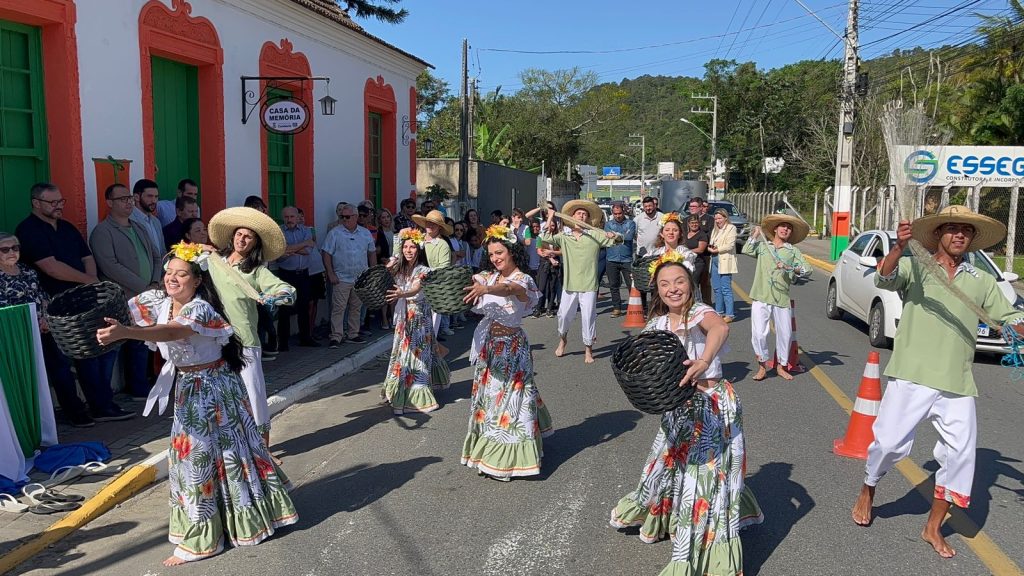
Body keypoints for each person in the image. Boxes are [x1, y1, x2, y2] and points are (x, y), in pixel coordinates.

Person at [96, 244, 298, 565]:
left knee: (211, 456)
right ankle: (217, 523)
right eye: (169, 272)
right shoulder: (158, 302)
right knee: (193, 457)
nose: (172, 279)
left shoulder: (199, 309)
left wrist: (126, 333)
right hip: (189, 389)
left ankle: (209, 535)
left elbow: (173, 331)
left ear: (197, 281)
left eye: (182, 274)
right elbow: (120, 309)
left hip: (214, 388)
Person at [852, 206, 1024, 558]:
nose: (959, 235)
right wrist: (898, 248)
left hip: (957, 382)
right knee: (888, 445)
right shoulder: (917, 266)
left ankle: (932, 527)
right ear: (939, 235)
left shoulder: (981, 281)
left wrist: (1018, 327)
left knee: (961, 457)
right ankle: (868, 488)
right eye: (952, 229)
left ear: (972, 239)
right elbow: (884, 279)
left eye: (966, 230)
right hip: (911, 374)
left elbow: (1010, 316)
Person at [610, 250, 762, 574]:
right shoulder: (656, 324)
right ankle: (671, 518)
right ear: (657, 289)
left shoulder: (701, 312)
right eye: (664, 284)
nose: (672, 288)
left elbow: (720, 328)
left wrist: (704, 360)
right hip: (676, 409)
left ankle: (697, 555)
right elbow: (646, 362)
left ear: (691, 284)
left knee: (702, 481)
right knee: (664, 469)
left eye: (679, 281)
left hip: (712, 404)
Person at [16, 182, 133, 423]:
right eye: (52, 202)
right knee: (59, 363)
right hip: (53, 308)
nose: (59, 206)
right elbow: (52, 268)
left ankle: (102, 406)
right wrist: (89, 280)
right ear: (36, 203)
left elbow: (86, 256)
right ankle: (75, 412)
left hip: (82, 304)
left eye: (61, 201)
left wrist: (89, 281)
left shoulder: (67, 227)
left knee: (91, 354)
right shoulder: (28, 230)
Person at [460, 224, 551, 481]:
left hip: (512, 348)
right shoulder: (489, 277)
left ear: (511, 251)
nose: (495, 258)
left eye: (499, 252)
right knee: (490, 402)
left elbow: (512, 290)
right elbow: (472, 281)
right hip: (490, 347)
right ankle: (489, 453)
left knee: (510, 403)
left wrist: (487, 289)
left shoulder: (523, 279)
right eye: (491, 254)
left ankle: (509, 459)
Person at [208, 207, 294, 450]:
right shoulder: (213, 263)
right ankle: (230, 446)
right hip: (215, 341)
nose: (241, 239)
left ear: (255, 242)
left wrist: (277, 296)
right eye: (239, 234)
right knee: (222, 396)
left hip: (245, 340)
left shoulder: (257, 270)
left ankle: (263, 450)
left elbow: (286, 290)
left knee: (253, 396)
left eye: (248, 236)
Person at [0, 231, 95, 427]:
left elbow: (42, 296)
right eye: (5, 249)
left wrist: (45, 317)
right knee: (26, 374)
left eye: (15, 248)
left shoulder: (27, 271)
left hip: (43, 329)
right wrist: (32, 321)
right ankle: (28, 420)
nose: (11, 252)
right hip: (18, 334)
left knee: (60, 367)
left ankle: (74, 412)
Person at [90, 183, 163, 398]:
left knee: (141, 342)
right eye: (122, 199)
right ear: (109, 203)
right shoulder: (102, 231)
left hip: (146, 296)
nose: (128, 202)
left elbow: (157, 256)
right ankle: (104, 398)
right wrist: (145, 287)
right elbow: (110, 266)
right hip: (121, 298)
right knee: (115, 346)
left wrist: (155, 283)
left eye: (130, 198)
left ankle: (139, 387)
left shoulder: (138, 227)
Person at [540, 199, 621, 364]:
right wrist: (550, 217)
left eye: (584, 214)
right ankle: (563, 339)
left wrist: (614, 235)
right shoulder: (564, 236)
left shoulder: (595, 235)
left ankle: (588, 349)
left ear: (588, 219)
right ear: (573, 217)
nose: (582, 216)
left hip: (589, 284)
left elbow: (618, 241)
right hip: (570, 284)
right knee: (563, 316)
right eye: (579, 213)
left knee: (588, 317)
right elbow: (544, 238)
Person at [381, 229, 450, 414]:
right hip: (404, 318)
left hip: (419, 318)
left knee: (417, 355)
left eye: (412, 247)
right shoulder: (400, 269)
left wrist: (401, 293)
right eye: (405, 247)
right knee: (401, 354)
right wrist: (392, 261)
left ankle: (417, 393)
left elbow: (414, 289)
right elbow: (383, 276)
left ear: (419, 249)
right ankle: (398, 389)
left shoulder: (424, 270)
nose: (408, 250)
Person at [742, 212, 811, 381]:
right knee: (758, 333)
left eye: (788, 228)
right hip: (761, 294)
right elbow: (746, 249)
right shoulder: (764, 246)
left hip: (781, 297)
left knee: (785, 334)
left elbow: (806, 269)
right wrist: (755, 235)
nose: (785, 229)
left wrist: (789, 267)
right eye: (782, 226)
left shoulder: (793, 251)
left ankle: (781, 366)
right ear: (775, 229)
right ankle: (762, 366)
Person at [321, 203, 376, 347]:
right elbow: (326, 253)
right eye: (342, 217)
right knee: (338, 308)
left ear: (356, 217)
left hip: (360, 278)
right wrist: (330, 273)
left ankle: (353, 333)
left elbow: (372, 253)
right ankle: (336, 336)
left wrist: (372, 273)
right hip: (341, 277)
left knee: (355, 308)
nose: (344, 219)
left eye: (347, 217)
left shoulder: (365, 233)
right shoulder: (335, 232)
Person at [276, 206, 319, 349]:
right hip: (286, 274)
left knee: (304, 306)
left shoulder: (306, 230)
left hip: (303, 274)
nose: (289, 220)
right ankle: (283, 342)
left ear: (297, 217)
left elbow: (308, 251)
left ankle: (305, 338)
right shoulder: (279, 232)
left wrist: (291, 249)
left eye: (292, 217)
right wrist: (302, 244)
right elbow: (281, 251)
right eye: (286, 217)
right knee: (284, 308)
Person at [410, 209, 453, 337]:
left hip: (433, 289)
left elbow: (443, 269)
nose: (430, 226)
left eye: (434, 224)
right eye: (428, 222)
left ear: (440, 227)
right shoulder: (417, 240)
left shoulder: (442, 245)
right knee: (415, 325)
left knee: (431, 328)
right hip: (414, 287)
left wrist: (424, 272)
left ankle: (432, 354)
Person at [605, 202, 636, 317]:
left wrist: (616, 235)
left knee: (631, 285)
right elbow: (607, 237)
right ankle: (616, 308)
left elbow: (629, 237)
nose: (618, 216)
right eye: (615, 214)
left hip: (626, 259)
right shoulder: (608, 224)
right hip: (611, 258)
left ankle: (634, 307)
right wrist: (621, 235)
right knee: (613, 285)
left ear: (624, 212)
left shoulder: (630, 223)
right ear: (612, 213)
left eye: (620, 213)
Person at [708, 208, 738, 323]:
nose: (717, 220)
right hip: (714, 259)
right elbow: (712, 242)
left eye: (720, 218)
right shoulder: (715, 230)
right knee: (717, 288)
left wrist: (717, 249)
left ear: (725, 218)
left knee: (726, 288)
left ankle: (729, 314)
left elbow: (730, 245)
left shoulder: (731, 228)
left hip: (724, 259)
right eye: (716, 218)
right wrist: (711, 248)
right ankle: (718, 312)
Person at [130, 179, 165, 257]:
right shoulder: (128, 220)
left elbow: (162, 250)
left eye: (156, 197)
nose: (154, 201)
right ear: (136, 197)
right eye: (150, 196)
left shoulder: (156, 221)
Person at [683, 215, 710, 303]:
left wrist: (686, 251)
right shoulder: (685, 234)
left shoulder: (702, 235)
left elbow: (700, 249)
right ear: (688, 224)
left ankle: (698, 302)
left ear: (699, 223)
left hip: (697, 263)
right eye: (692, 223)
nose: (694, 225)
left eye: (696, 223)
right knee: (686, 284)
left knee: (694, 284)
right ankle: (688, 303)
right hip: (686, 262)